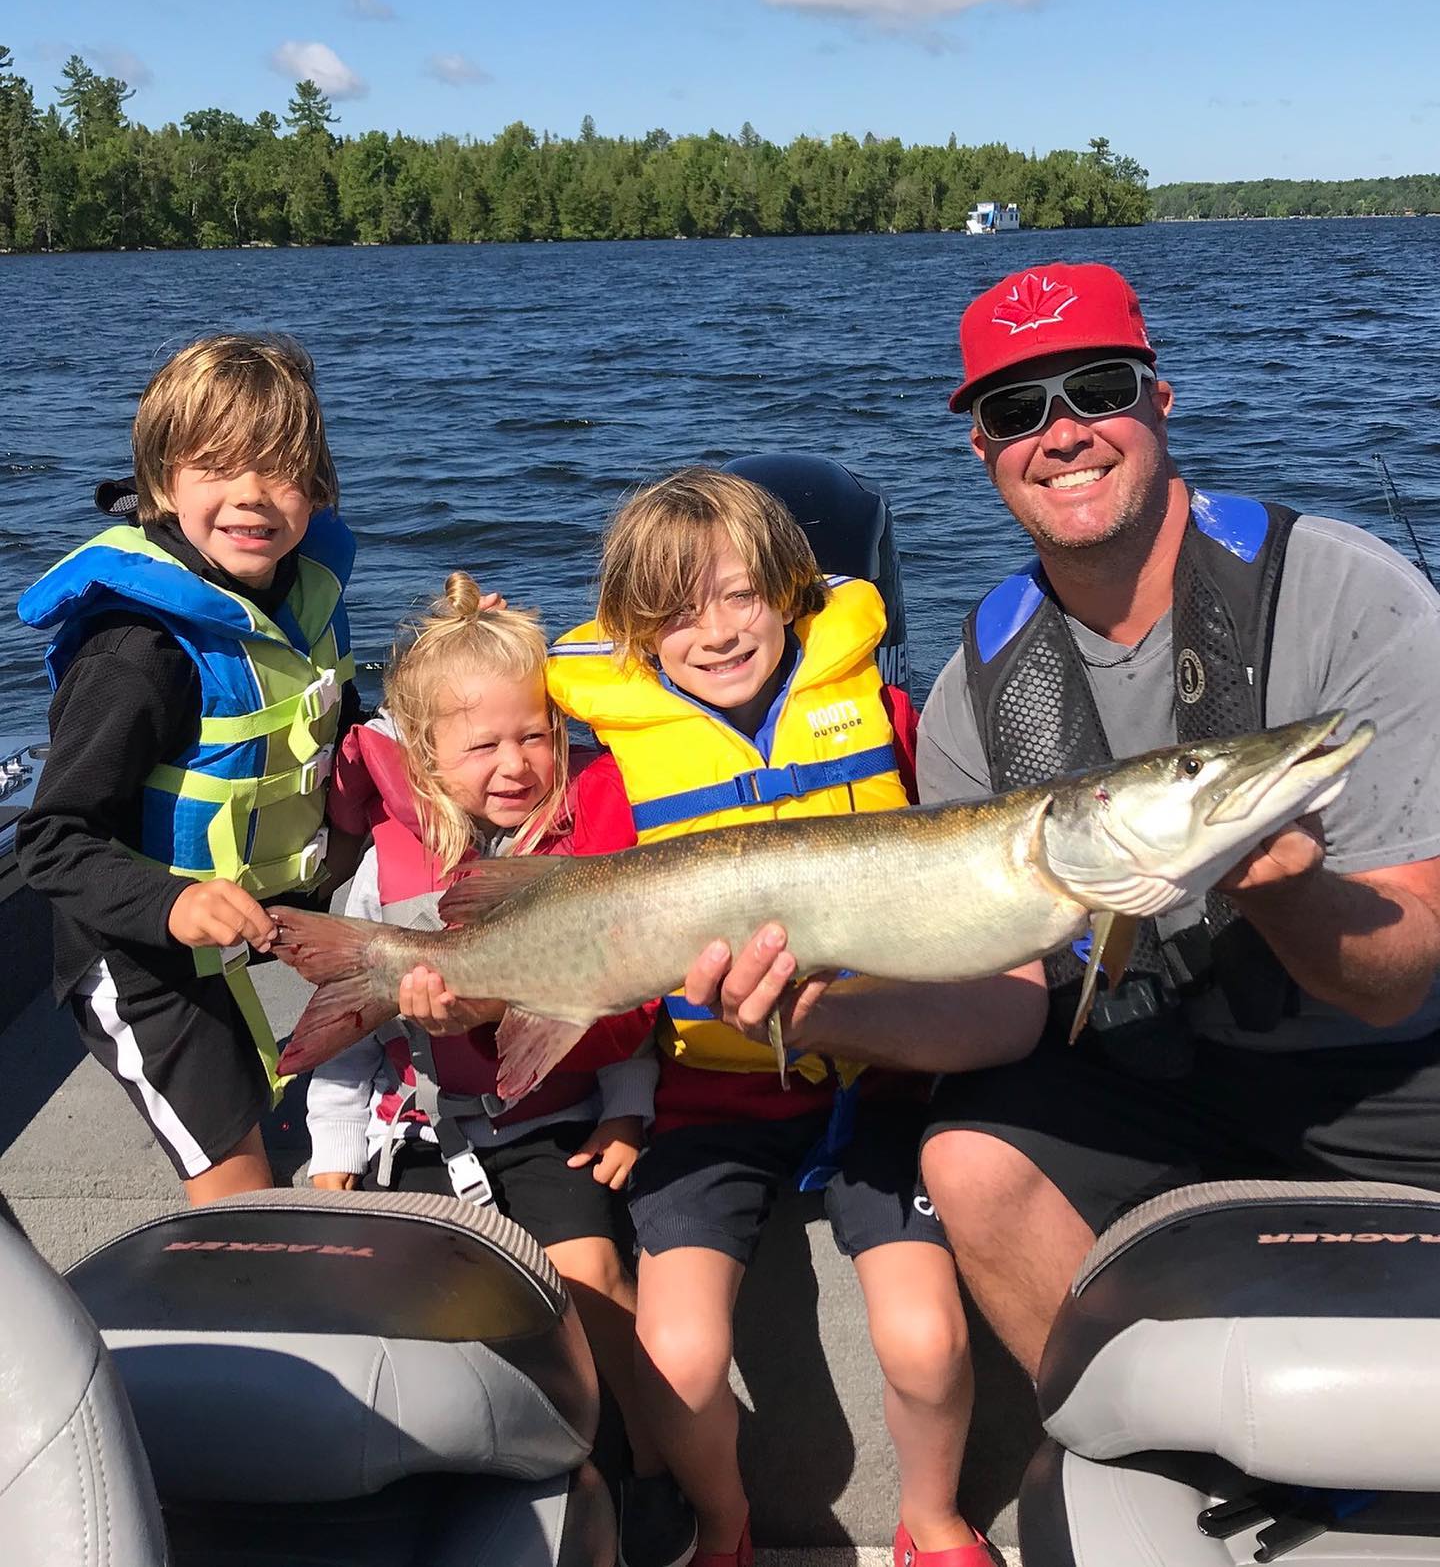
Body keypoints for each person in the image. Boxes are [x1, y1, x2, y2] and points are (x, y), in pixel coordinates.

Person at [685, 259, 1440, 1403]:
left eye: (1097, 388)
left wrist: (1290, 888)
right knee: (971, 1159)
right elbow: (1006, 998)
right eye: (1017, 410)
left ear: (1160, 397)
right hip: (1143, 1066)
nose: (1063, 432)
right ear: (981, 450)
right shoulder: (974, 692)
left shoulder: (1351, 595)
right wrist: (817, 1006)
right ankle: (1148, 1455)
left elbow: (1399, 976)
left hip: (1375, 1066)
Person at [546, 467, 1000, 1567]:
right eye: (675, 612)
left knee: (926, 1337)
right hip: (710, 1108)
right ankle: (724, 1526)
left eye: (744, 595)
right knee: (680, 1356)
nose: (716, 630)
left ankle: (932, 1521)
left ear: (795, 595)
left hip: (882, 1083)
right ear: (632, 640)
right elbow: (603, 1019)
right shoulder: (609, 794)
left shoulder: (894, 722)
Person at [308, 575, 695, 1567]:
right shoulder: (387, 865)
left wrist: (627, 1116)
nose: (516, 763)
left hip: (552, 1127)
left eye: (535, 736)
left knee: (594, 1277)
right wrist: (334, 1151)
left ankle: (654, 1469)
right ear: (429, 756)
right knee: (418, 1309)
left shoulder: (590, 847)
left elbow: (622, 1001)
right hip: (427, 1130)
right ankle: (459, 1474)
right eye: (482, 745)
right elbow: (351, 1032)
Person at [16, 334, 358, 1205]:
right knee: (240, 1188)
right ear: (163, 485)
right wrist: (175, 904)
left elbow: (334, 724)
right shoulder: (136, 654)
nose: (250, 495)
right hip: (135, 957)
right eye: (215, 467)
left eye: (280, 469)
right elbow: (51, 841)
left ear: (316, 489)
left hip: (256, 911)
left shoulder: (300, 595)